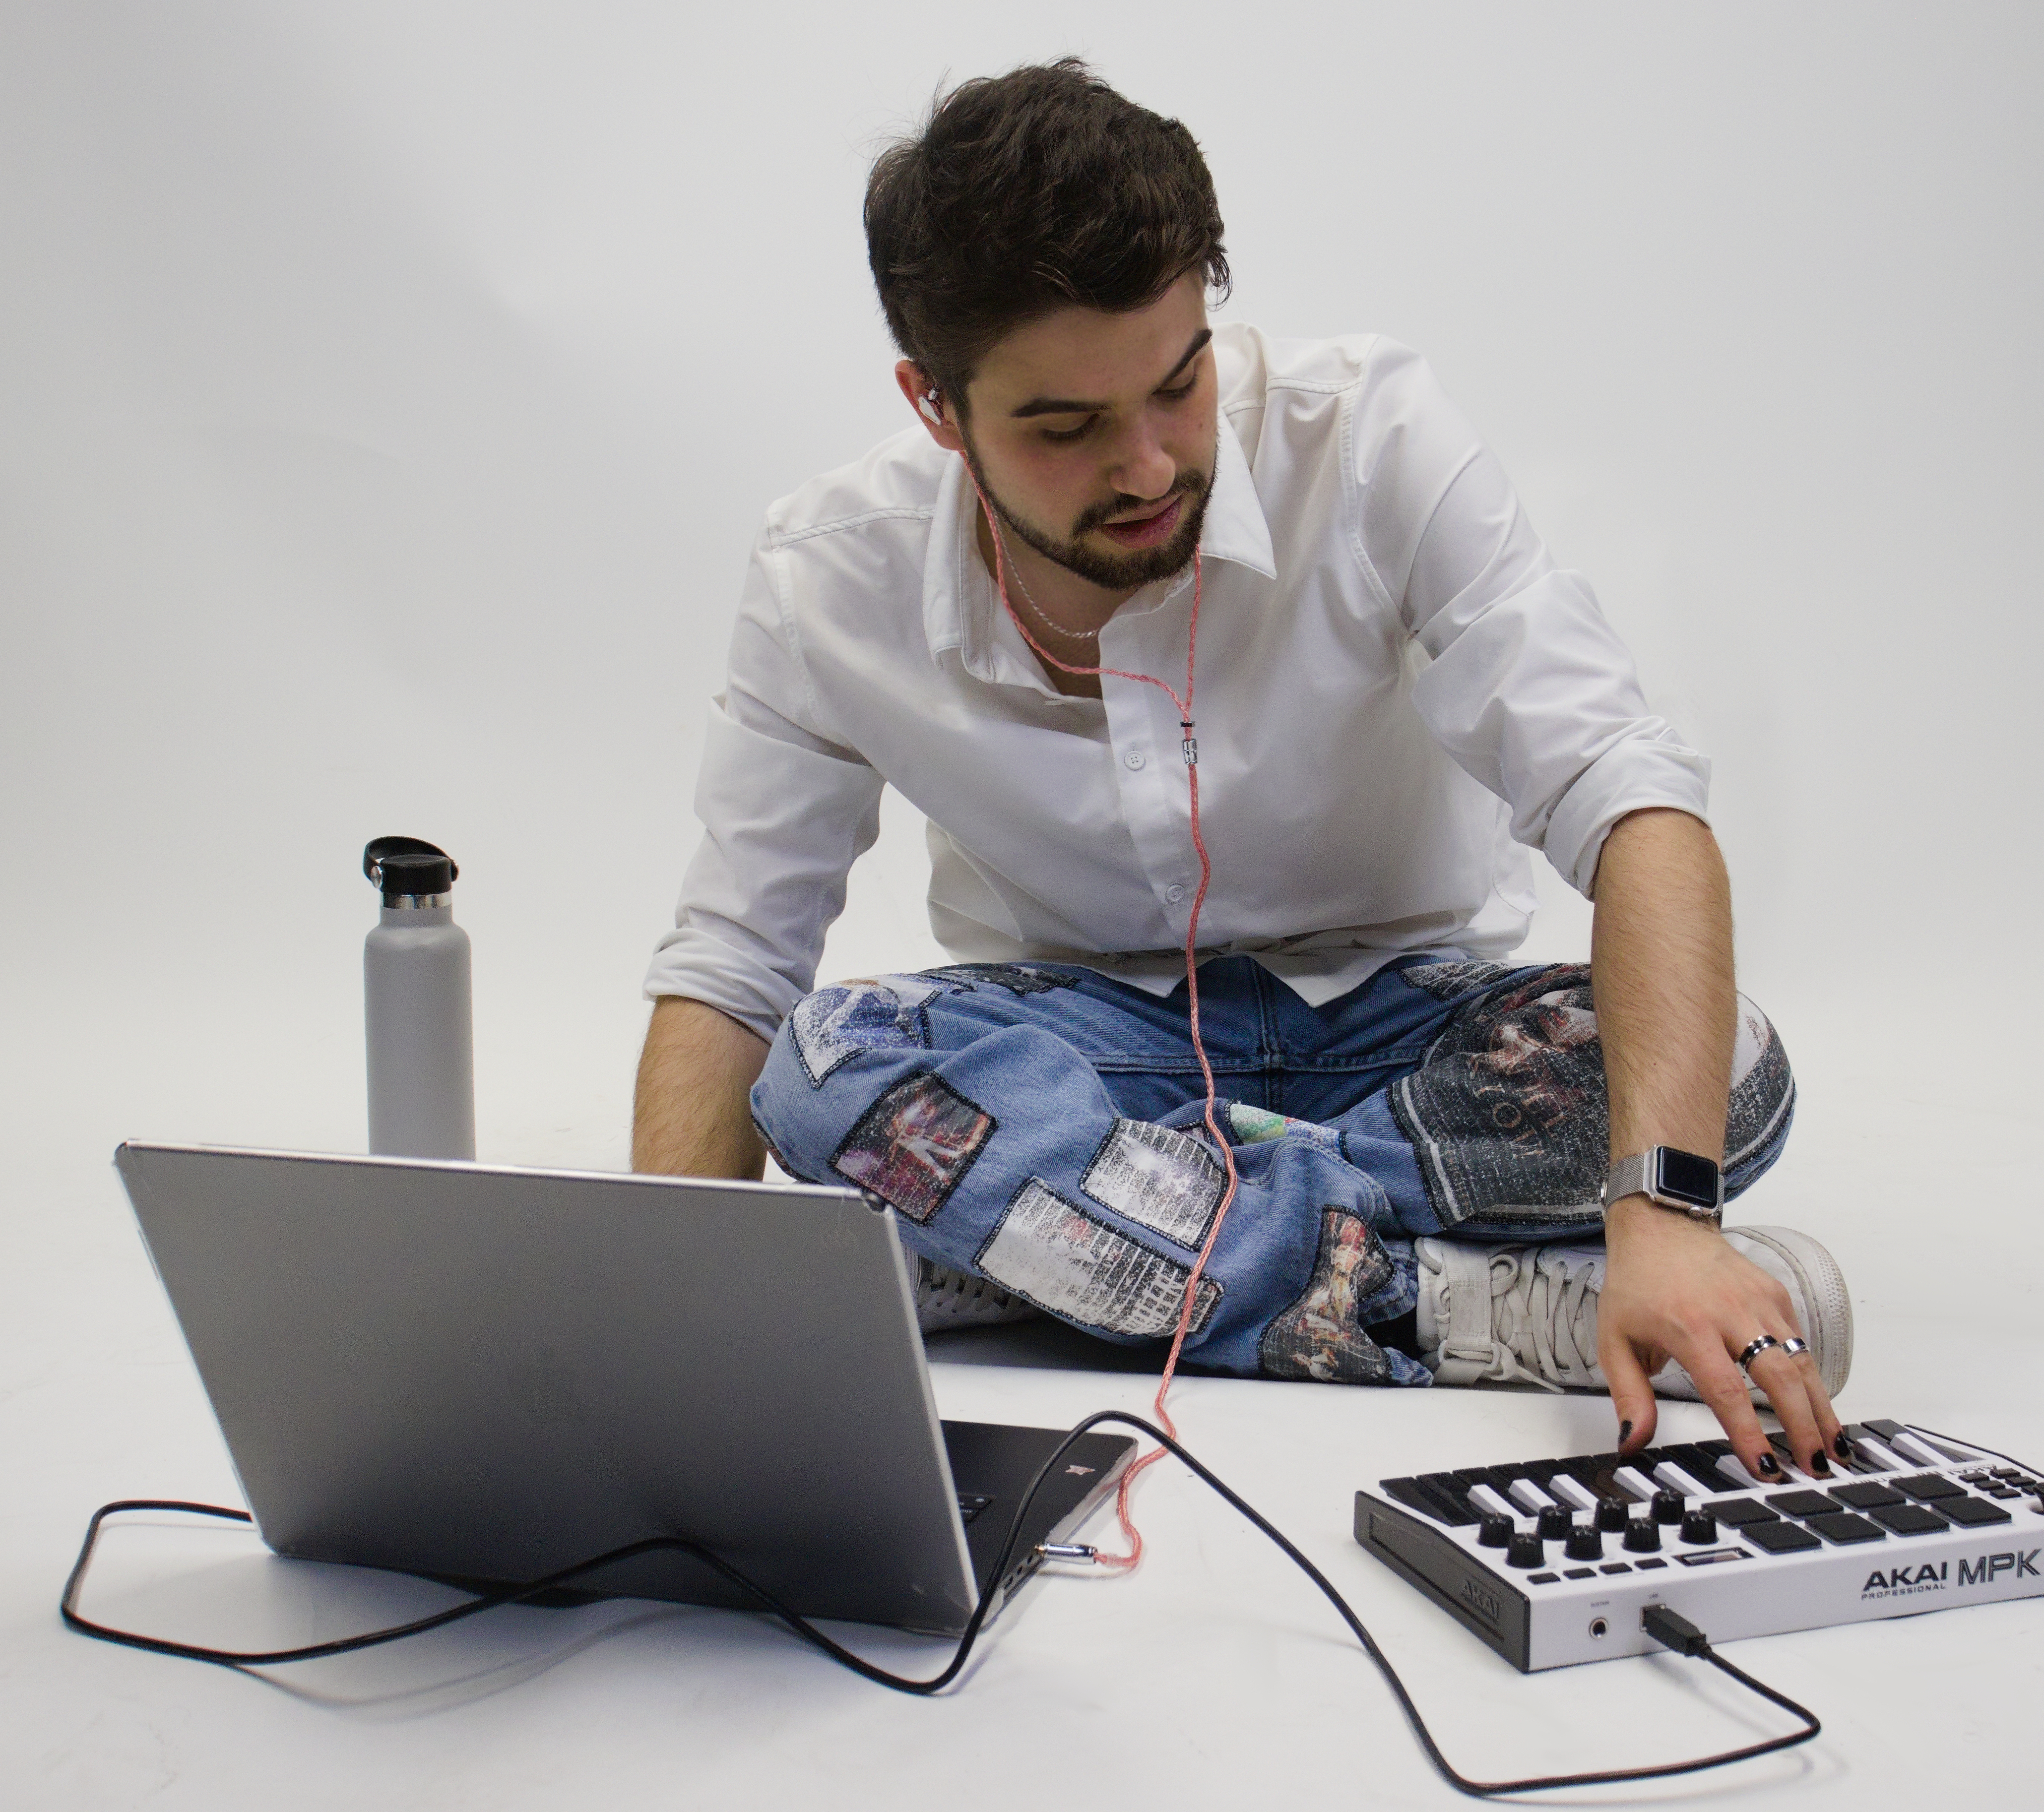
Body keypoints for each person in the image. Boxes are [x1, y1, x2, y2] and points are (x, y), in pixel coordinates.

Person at [634, 60, 1856, 1485]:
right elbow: (734, 961)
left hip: (1404, 1041)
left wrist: (1660, 1220)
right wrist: (674, 1304)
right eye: (1064, 425)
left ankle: (1051, 1255)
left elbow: (1633, 801)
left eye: (1177, 382)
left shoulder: (1373, 436)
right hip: (1097, 1058)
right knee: (830, 1073)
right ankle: (1444, 1306)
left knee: (1738, 1073)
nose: (1150, 463)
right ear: (936, 407)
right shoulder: (821, 577)